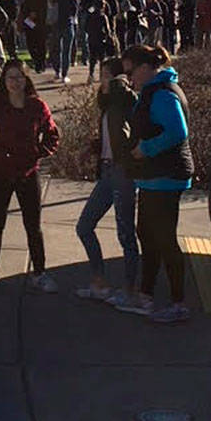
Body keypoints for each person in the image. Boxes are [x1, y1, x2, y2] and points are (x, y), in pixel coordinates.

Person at [123, 44, 194, 323]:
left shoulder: (162, 94)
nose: (130, 79)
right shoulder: (156, 90)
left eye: (131, 72)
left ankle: (178, 303)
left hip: (165, 176)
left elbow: (178, 131)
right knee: (148, 236)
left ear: (144, 67)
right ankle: (146, 295)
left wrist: (146, 149)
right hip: (154, 177)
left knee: (164, 240)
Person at [0, 61, 60, 294]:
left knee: (33, 226)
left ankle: (40, 272)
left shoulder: (37, 107)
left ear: (26, 80)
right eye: (10, 78)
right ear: (3, 81)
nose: (15, 82)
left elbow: (52, 135)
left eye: (19, 77)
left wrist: (39, 153)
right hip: (1, 173)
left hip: (28, 173)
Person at [74, 58, 141, 308]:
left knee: (126, 233)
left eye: (105, 75)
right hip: (106, 170)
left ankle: (130, 290)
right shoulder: (108, 104)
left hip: (123, 171)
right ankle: (99, 281)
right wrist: (93, 148)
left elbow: (134, 131)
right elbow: (111, 136)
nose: (100, 80)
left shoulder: (123, 99)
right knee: (84, 226)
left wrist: (117, 84)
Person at [55, 0, 80, 83]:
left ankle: (57, 71)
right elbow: (74, 13)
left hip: (57, 25)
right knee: (67, 51)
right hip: (68, 24)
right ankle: (64, 74)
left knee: (57, 50)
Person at [20, 0, 49, 72]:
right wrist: (29, 16)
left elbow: (45, 12)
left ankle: (41, 64)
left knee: (41, 46)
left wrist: (37, 15)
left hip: (40, 26)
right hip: (29, 26)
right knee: (31, 46)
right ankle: (36, 62)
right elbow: (23, 11)